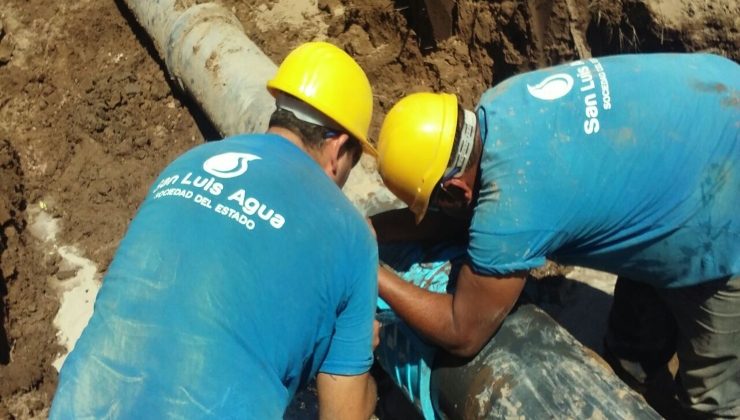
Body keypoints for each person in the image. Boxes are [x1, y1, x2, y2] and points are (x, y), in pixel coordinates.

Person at [371, 53, 739, 418]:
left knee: (713, 396)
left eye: (435, 204)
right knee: (636, 325)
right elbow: (458, 213)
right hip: (709, 93)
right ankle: (634, 372)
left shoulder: (513, 204)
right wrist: (367, 230)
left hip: (723, 209)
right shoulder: (502, 104)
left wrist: (372, 270)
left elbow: (463, 331)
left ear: (456, 191)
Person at [50, 42, 379, 419]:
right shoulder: (352, 236)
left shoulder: (189, 162)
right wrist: (359, 355)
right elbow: (344, 415)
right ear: (338, 148)